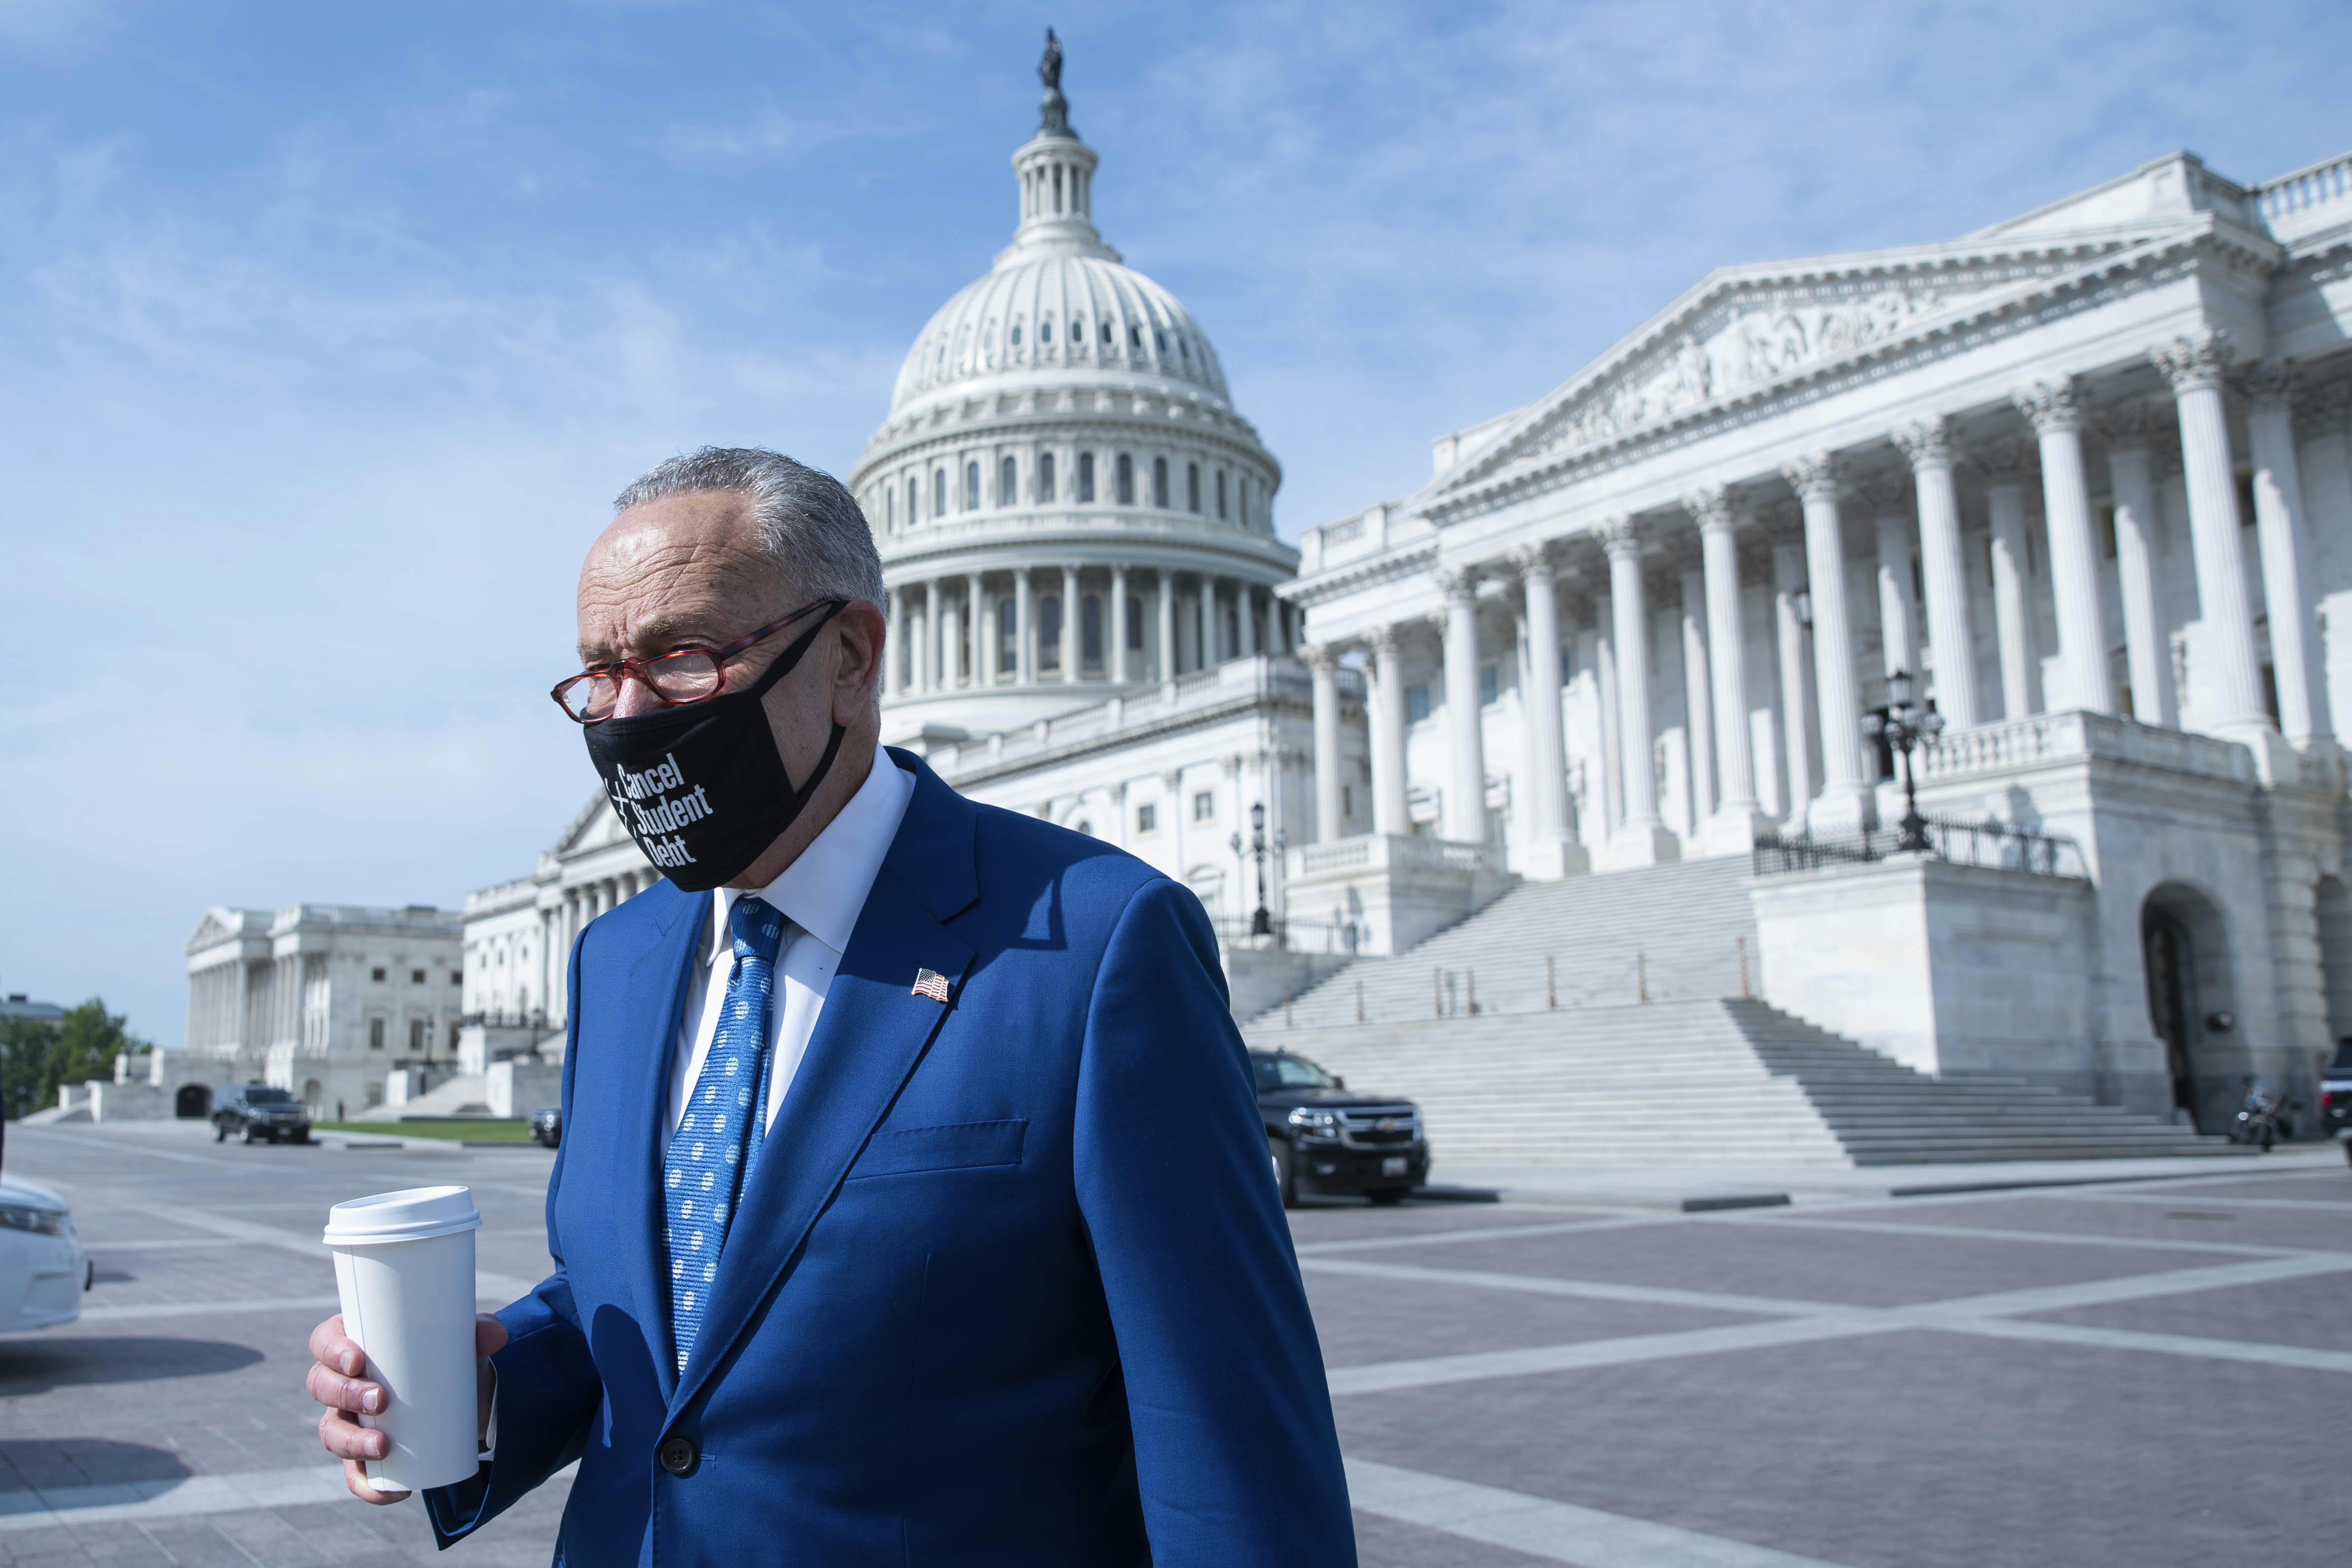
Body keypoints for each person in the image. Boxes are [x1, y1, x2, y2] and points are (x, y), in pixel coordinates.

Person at [303, 448, 1354, 1564]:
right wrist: (488, 1383)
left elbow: (1221, 1431)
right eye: (599, 674)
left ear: (848, 654)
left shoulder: (1094, 944)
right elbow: (667, 1294)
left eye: (682, 657)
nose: (625, 714)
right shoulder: (619, 952)